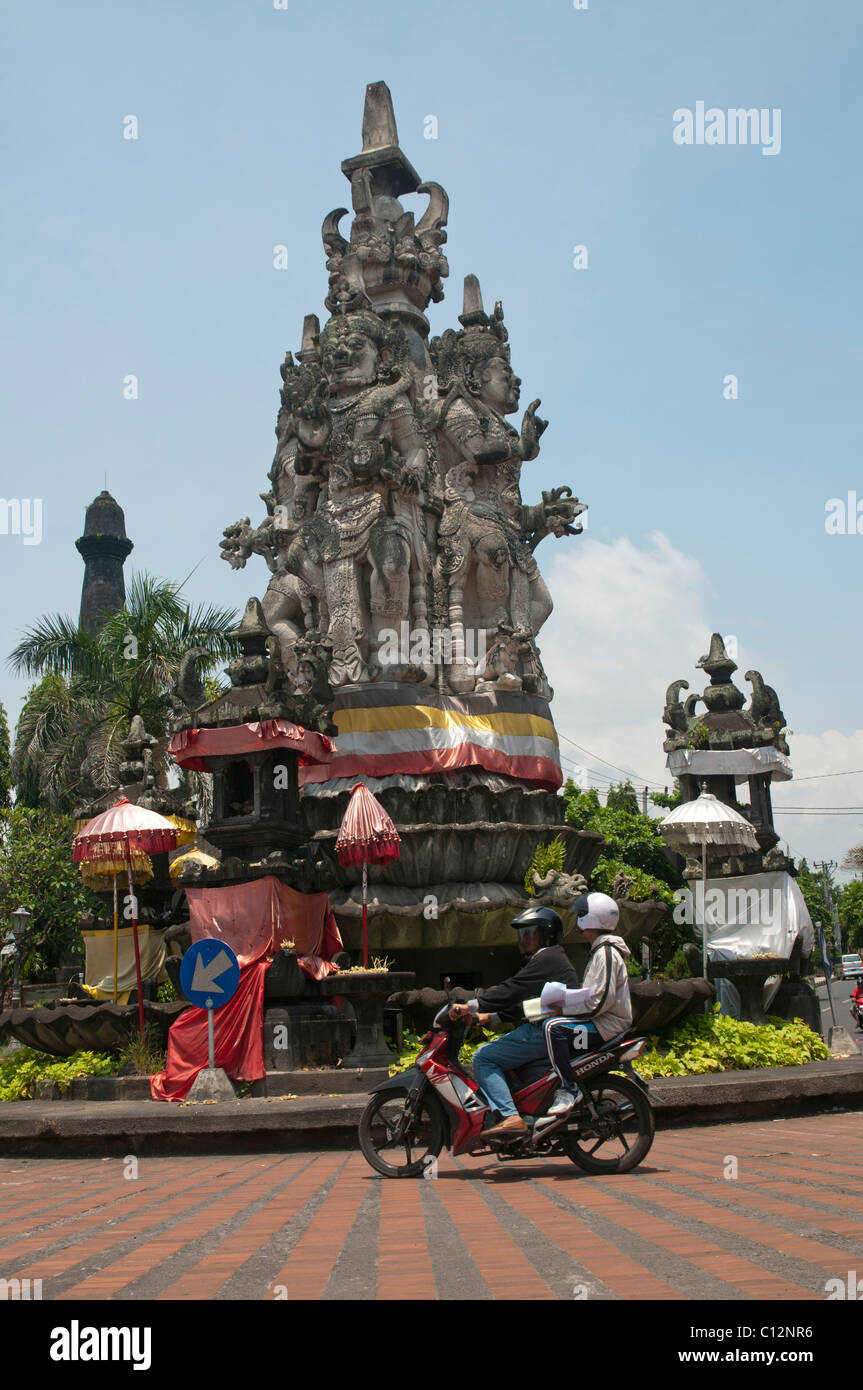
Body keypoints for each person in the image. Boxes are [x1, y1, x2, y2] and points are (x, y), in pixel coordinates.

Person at [448, 904, 579, 1139]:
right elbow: (530, 1005)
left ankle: (510, 1116)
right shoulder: (551, 958)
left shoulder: (546, 958)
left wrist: (472, 1005)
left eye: (530, 933)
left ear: (545, 934)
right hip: (549, 1028)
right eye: (523, 933)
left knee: (483, 1058)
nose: (524, 938)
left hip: (546, 1032)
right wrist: (491, 1017)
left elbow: (512, 990)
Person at [539, 892, 634, 1114]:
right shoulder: (599, 951)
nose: (578, 919)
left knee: (554, 1028)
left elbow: (601, 1001)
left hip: (607, 1025)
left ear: (593, 918)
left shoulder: (607, 953)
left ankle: (568, 1088)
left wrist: (563, 1011)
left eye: (581, 914)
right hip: (600, 1021)